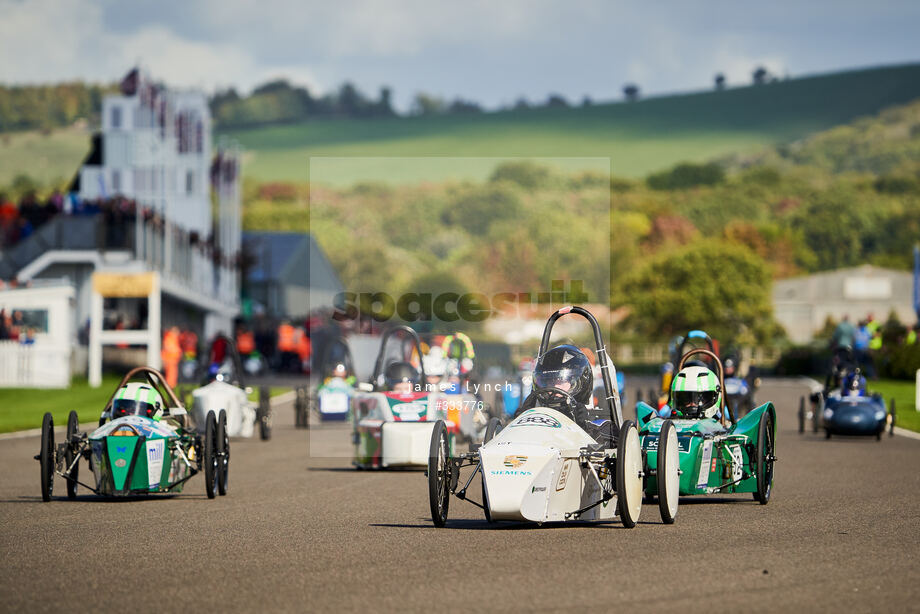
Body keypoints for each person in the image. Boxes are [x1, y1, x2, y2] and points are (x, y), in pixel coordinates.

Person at [515, 344, 593, 431]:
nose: (555, 387)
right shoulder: (534, 410)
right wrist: (522, 416)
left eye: (560, 381)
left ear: (577, 382)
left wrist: (585, 427)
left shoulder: (594, 425)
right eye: (550, 381)